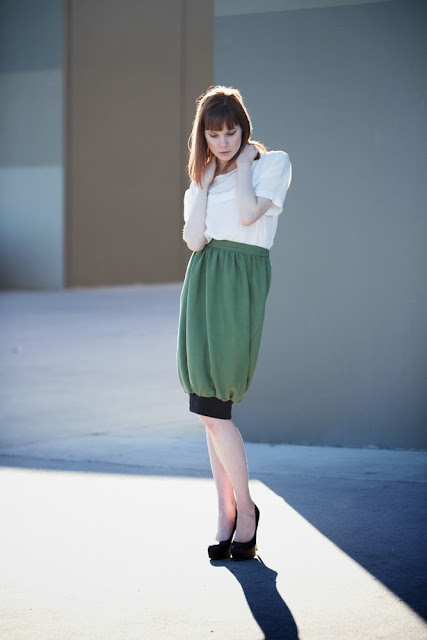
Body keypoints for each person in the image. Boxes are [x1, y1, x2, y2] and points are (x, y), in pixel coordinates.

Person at [176, 85, 292, 560]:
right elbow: (193, 241)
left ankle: (245, 509)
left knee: (216, 406)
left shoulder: (272, 164)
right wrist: (203, 185)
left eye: (231, 132)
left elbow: (248, 216)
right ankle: (226, 512)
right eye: (214, 134)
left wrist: (244, 167)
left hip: (239, 279)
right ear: (202, 136)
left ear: (244, 129)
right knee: (207, 410)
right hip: (204, 278)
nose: (223, 142)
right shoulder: (202, 179)